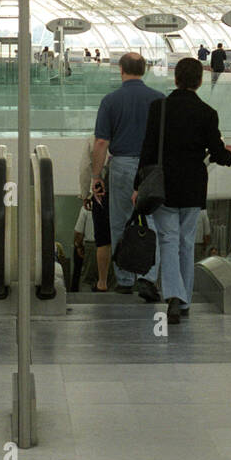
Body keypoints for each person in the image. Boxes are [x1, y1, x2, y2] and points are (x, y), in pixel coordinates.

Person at [134, 57, 231, 324]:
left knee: (168, 240)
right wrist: (228, 152)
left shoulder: (160, 108)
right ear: (200, 81)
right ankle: (185, 299)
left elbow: (147, 149)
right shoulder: (207, 113)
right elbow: (217, 153)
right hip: (192, 188)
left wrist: (137, 186)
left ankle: (174, 298)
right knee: (186, 242)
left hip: (163, 187)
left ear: (176, 78)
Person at [91, 53, 161, 300]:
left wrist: (96, 176)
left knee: (119, 223)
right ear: (144, 69)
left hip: (121, 165)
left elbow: (101, 142)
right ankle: (148, 278)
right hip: (152, 168)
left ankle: (124, 280)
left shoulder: (110, 100)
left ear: (121, 69)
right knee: (152, 223)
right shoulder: (158, 99)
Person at [79, 134, 112, 291]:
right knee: (125, 234)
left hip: (101, 190)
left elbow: (85, 167)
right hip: (127, 188)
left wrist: (85, 194)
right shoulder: (129, 133)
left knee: (103, 239)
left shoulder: (94, 139)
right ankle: (127, 281)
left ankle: (102, 282)